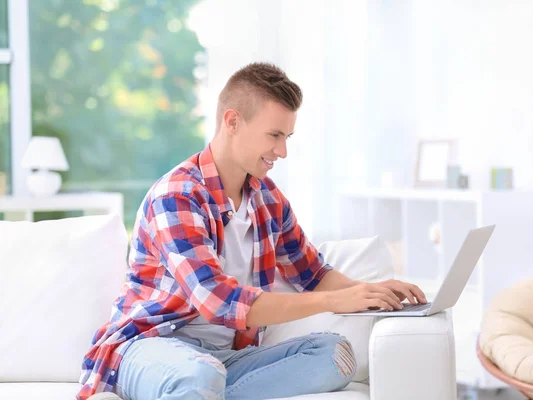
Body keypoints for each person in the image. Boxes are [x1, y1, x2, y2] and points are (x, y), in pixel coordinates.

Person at [79, 62, 427, 400]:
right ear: (232, 121)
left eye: (287, 136)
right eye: (274, 135)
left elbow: (312, 273)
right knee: (199, 374)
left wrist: (370, 293)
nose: (283, 151)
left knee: (334, 354)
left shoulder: (267, 198)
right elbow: (217, 300)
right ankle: (187, 388)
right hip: (150, 348)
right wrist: (336, 302)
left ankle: (201, 394)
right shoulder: (177, 195)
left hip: (224, 361)